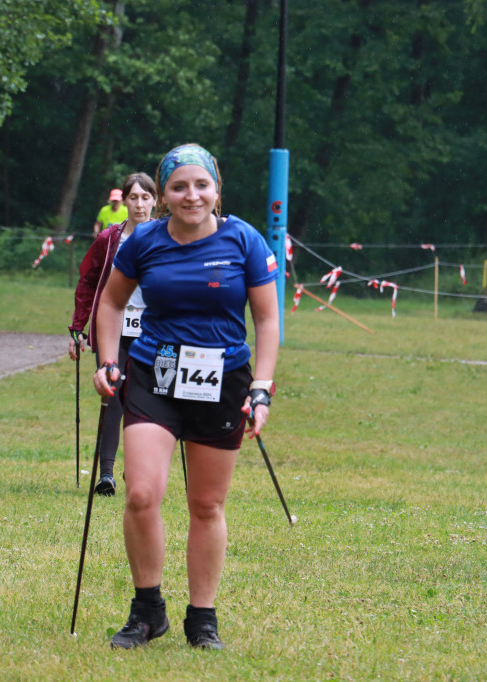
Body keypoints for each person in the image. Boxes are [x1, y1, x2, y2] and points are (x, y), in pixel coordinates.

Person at [92, 143, 279, 650]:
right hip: (155, 373)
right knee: (141, 492)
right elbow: (109, 303)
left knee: (206, 505)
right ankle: (147, 610)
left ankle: (202, 619)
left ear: (217, 190)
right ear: (164, 193)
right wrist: (108, 360)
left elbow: (266, 318)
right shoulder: (144, 242)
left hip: (223, 382)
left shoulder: (244, 240)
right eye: (179, 186)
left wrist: (261, 387)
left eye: (202, 185)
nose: (191, 195)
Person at [69, 172, 157, 496]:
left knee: (143, 401)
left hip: (151, 331)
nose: (139, 204)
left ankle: (136, 471)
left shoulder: (167, 238)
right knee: (113, 394)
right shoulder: (109, 238)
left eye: (145, 198)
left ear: (155, 201)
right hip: (114, 329)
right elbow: (88, 280)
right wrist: (77, 327)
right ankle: (106, 474)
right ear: (125, 201)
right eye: (133, 198)